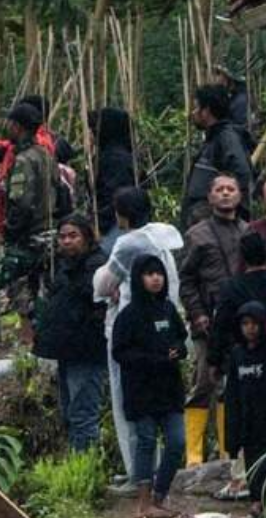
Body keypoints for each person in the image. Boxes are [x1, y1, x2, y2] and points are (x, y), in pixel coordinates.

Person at [94, 186, 182, 452]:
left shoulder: (129, 243)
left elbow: (103, 284)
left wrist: (104, 281)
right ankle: (153, 467)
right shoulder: (162, 235)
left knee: (128, 400)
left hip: (131, 329)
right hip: (163, 325)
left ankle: (138, 471)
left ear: (122, 215)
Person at [110, 253, 188, 518]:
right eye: (149, 274)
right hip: (141, 391)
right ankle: (143, 503)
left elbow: (181, 337)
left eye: (159, 273)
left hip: (169, 389)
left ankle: (160, 495)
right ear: (138, 278)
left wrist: (177, 350)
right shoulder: (128, 315)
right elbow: (120, 352)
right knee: (146, 442)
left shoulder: (168, 308)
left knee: (177, 442)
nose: (156, 278)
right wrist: (153, 359)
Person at [0, 102, 58, 350]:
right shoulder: (46, 154)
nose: (6, 127)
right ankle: (41, 340)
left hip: (30, 238)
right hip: (50, 234)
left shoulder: (23, 160)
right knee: (38, 289)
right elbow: (61, 193)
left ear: (18, 126)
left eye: (10, 123)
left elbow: (21, 202)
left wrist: (11, 230)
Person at [178, 173, 246, 466]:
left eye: (231, 189)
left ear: (240, 195)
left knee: (232, 387)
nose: (226, 194)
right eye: (220, 189)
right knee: (204, 382)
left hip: (241, 321)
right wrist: (197, 314)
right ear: (210, 197)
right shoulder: (197, 234)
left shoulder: (248, 231)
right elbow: (187, 280)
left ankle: (226, 451)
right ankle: (193, 456)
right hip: (208, 320)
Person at [33, 215, 108, 454]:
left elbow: (94, 301)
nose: (67, 241)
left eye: (73, 236)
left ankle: (86, 467)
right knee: (69, 412)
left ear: (87, 238)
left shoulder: (98, 267)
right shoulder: (65, 268)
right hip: (67, 351)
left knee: (83, 412)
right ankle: (78, 463)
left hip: (87, 351)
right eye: (63, 237)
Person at [220, 301, 266, 503]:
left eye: (254, 323)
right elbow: (232, 394)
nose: (250, 328)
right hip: (247, 422)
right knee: (252, 466)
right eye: (245, 324)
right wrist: (232, 435)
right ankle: (256, 503)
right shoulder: (237, 355)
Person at [182, 84, 256, 227]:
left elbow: (242, 176)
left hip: (216, 230)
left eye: (196, 107)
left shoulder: (226, 139)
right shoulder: (214, 139)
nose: (193, 113)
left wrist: (221, 211)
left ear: (207, 111)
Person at [210, 232, 266, 351]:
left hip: (243, 356)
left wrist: (214, 360)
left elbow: (221, 326)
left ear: (242, 256)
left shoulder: (230, 287)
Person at [89, 107, 135, 237]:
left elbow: (112, 196)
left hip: (113, 228)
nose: (90, 135)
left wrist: (98, 226)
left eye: (93, 131)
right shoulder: (112, 155)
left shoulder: (115, 159)